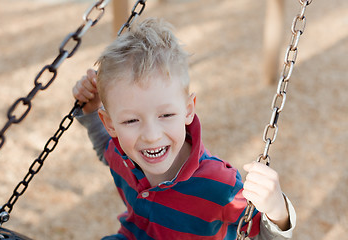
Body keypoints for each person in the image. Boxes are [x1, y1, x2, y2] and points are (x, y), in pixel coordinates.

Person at [72, 18, 296, 240]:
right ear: (110, 123)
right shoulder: (123, 154)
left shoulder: (219, 185)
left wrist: (278, 211)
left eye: (166, 115)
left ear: (189, 110)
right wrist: (91, 110)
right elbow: (106, 150)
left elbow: (264, 235)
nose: (151, 136)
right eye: (131, 121)